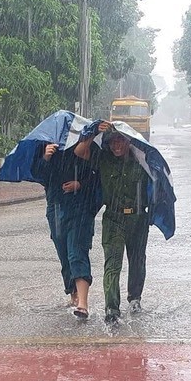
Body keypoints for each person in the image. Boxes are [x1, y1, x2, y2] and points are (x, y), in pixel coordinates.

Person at [76, 122, 151, 324]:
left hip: (138, 218)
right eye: (112, 142)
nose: (116, 145)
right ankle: (112, 308)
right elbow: (80, 150)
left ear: (128, 142)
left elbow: (157, 183)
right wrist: (93, 132)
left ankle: (135, 299)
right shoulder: (103, 159)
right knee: (113, 263)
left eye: (120, 141)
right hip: (113, 218)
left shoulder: (141, 160)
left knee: (137, 260)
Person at [33, 140, 100, 319]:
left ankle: (83, 304)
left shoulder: (84, 145)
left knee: (76, 252)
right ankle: (74, 294)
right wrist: (46, 157)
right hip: (55, 209)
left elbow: (97, 175)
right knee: (64, 255)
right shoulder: (46, 146)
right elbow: (39, 176)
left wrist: (80, 185)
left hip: (80, 209)